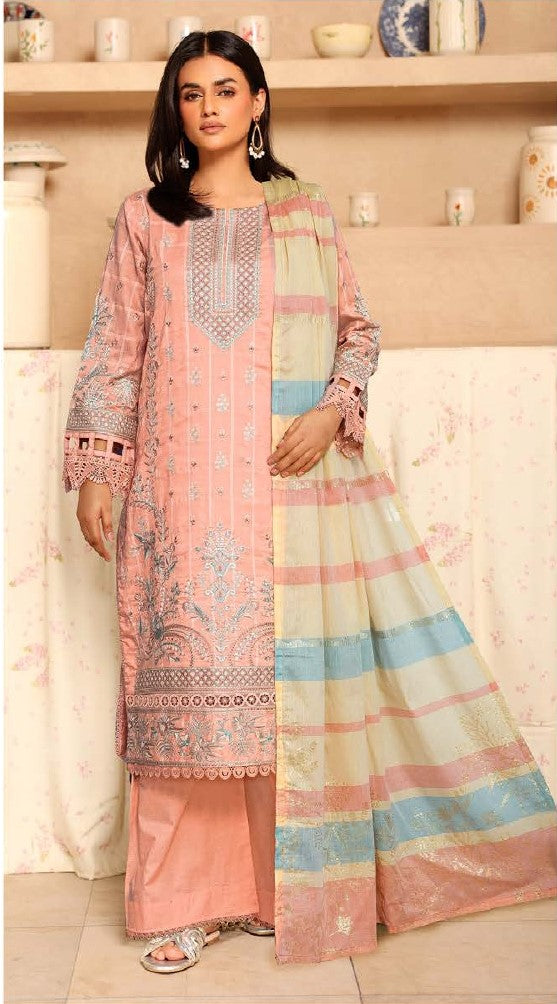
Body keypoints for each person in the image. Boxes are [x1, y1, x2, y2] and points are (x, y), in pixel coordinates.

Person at [62, 30, 557, 973]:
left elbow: (355, 332)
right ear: (175, 109)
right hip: (177, 492)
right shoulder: (145, 217)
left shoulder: (305, 213)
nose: (208, 107)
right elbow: (115, 349)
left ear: (257, 103)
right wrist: (98, 469)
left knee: (280, 695)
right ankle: (182, 901)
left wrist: (332, 412)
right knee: (180, 697)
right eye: (191, 92)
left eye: (226, 89)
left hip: (284, 490)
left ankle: (267, 887)